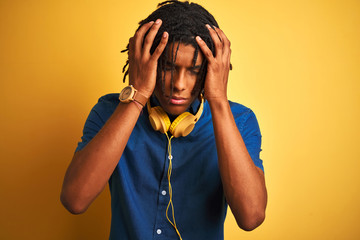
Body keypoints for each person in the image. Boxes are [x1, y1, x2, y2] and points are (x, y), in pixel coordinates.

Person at [60, 1, 267, 239]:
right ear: (147, 59)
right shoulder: (108, 112)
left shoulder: (240, 121)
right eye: (168, 66)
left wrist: (218, 100)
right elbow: (74, 200)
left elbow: (251, 217)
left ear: (212, 69)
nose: (179, 84)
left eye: (194, 70)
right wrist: (137, 97)